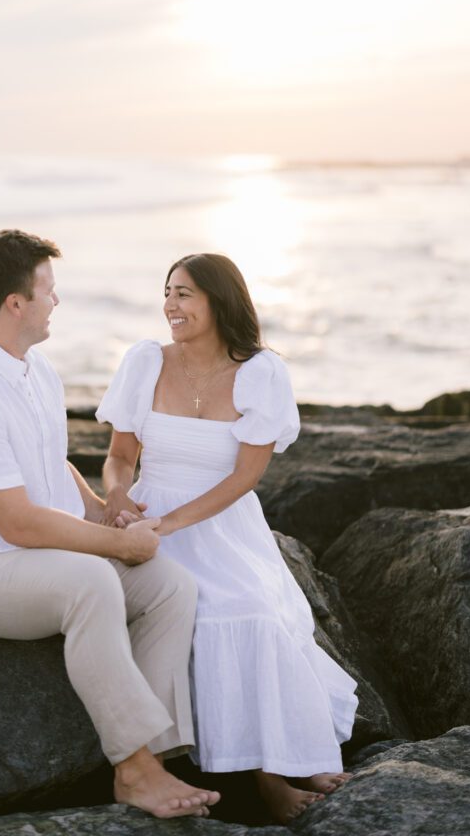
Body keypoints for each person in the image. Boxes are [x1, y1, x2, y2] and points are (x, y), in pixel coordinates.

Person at [0, 230, 220, 820]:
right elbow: (17, 523)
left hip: (32, 557)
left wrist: (104, 513)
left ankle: (152, 754)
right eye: (49, 289)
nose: (58, 300)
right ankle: (132, 770)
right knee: (93, 582)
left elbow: (52, 464)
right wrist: (116, 545)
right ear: (15, 303)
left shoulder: (33, 368)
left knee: (171, 585)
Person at [96, 253, 358, 825]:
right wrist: (117, 497)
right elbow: (119, 458)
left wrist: (169, 523)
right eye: (167, 292)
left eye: (185, 293)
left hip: (219, 521)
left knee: (252, 610)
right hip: (147, 518)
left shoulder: (260, 373)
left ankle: (289, 760)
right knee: (193, 612)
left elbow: (244, 478)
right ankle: (264, 782)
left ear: (220, 299)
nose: (170, 305)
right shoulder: (145, 362)